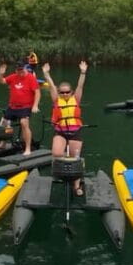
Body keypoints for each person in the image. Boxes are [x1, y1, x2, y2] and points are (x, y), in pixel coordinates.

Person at [42, 60, 87, 195]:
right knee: (56, 153)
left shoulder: (76, 99)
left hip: (75, 132)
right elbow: (51, 86)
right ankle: (60, 170)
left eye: (67, 92)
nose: (65, 94)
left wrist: (83, 72)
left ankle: (77, 186)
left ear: (71, 92)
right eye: (62, 92)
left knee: (76, 159)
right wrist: (46, 74)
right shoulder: (56, 99)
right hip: (60, 132)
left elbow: (80, 86)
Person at [0, 59, 40, 155]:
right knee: (4, 122)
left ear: (25, 68)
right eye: (18, 70)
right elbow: (1, 81)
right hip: (12, 106)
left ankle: (28, 148)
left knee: (24, 123)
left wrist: (35, 105)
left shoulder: (30, 78)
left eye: (21, 69)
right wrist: (1, 74)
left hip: (25, 106)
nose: (20, 72)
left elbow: (37, 92)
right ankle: (2, 143)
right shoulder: (13, 77)